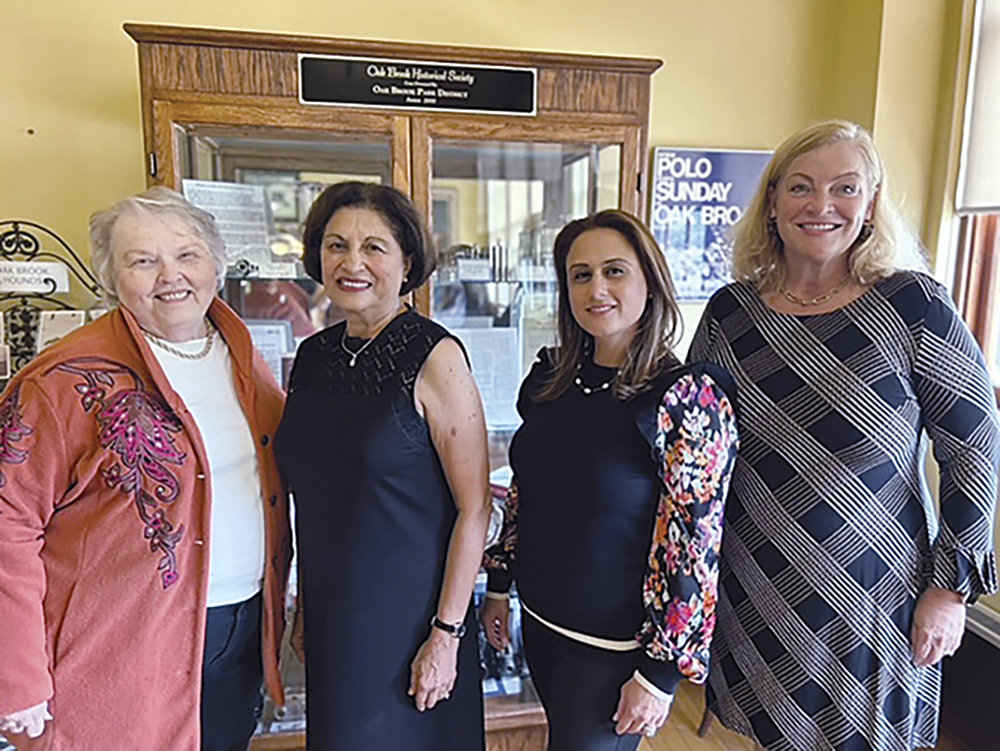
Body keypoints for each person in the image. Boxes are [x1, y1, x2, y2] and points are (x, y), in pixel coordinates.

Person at [689, 120, 1000, 750]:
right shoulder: (730, 313)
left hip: (875, 597)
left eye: (845, 188)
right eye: (800, 187)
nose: (821, 205)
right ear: (772, 203)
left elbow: (974, 446)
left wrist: (951, 587)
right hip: (756, 581)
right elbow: (697, 449)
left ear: (872, 203)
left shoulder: (913, 305)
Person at [0, 187, 292, 750]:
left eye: (187, 255)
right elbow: (8, 525)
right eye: (143, 261)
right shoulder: (60, 381)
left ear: (216, 263)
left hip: (242, 628)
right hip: (115, 650)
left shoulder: (239, 351)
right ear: (111, 277)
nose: (170, 276)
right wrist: (17, 677)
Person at [480, 209, 739, 751]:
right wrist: (499, 584)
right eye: (580, 275)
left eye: (614, 271)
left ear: (650, 282)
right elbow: (526, 490)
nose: (596, 288)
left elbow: (693, 544)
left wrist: (660, 673)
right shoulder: (551, 380)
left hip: (616, 650)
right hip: (542, 622)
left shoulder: (685, 398)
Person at [274, 182, 491, 750]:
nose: (352, 262)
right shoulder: (314, 357)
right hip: (331, 615)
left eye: (374, 247)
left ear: (408, 261)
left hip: (413, 620)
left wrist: (446, 634)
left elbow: (475, 508)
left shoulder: (436, 358)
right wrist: (303, 607)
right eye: (336, 244)